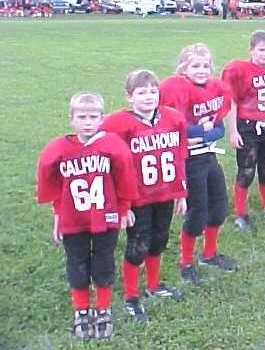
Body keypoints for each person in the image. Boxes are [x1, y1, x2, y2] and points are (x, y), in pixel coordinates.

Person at [36, 92, 138, 340]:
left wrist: (125, 207)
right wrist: (58, 215)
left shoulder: (112, 145)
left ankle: (103, 307)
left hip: (106, 215)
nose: (88, 122)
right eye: (82, 117)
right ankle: (81, 309)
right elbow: (54, 185)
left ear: (102, 118)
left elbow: (125, 178)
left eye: (93, 117)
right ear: (71, 119)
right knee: (77, 262)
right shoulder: (58, 148)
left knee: (104, 261)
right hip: (74, 217)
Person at [101, 70, 188, 321]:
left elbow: (180, 157)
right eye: (141, 92)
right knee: (137, 245)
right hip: (137, 196)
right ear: (129, 96)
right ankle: (131, 296)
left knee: (159, 240)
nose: (149, 96)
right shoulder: (117, 124)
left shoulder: (173, 118)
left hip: (164, 192)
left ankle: (153, 284)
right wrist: (122, 204)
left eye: (153, 91)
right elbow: (109, 165)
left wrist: (181, 193)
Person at [159, 44, 238, 286]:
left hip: (208, 155)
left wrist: (199, 133)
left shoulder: (215, 89)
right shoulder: (174, 89)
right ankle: (185, 262)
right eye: (195, 65)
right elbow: (171, 126)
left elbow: (218, 129)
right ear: (183, 68)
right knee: (197, 212)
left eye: (205, 65)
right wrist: (196, 131)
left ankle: (209, 254)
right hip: (188, 160)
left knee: (220, 206)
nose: (202, 70)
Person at [221, 30, 265, 233]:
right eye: (261, 50)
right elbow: (231, 102)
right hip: (248, 126)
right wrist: (233, 131)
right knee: (246, 171)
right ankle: (240, 213)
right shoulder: (239, 69)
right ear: (251, 50)